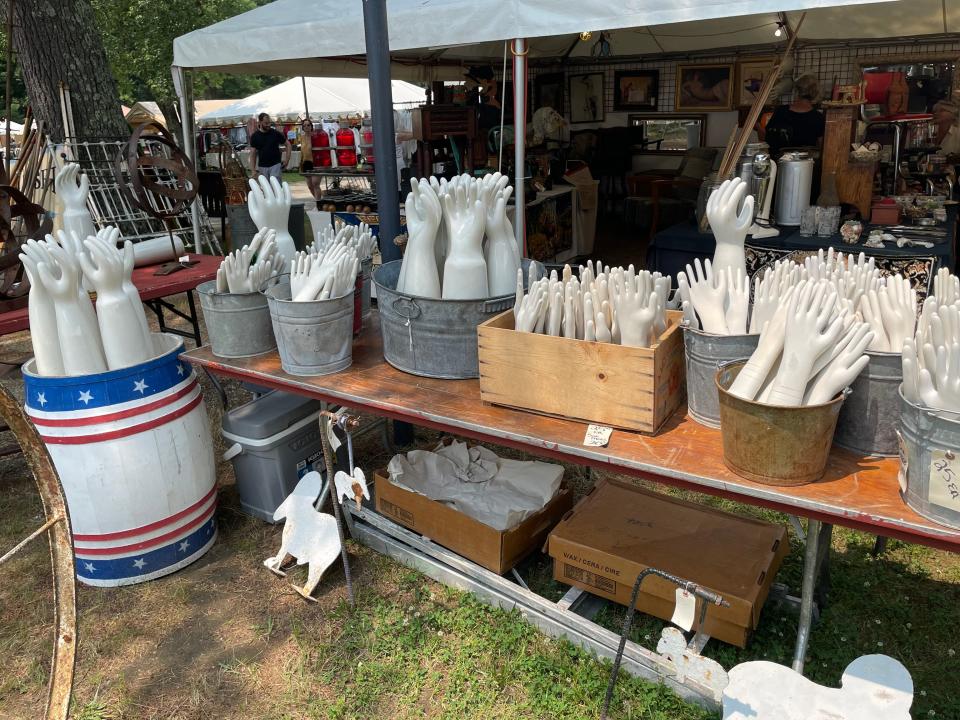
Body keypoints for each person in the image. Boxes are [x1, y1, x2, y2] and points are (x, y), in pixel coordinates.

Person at [764, 74, 826, 156]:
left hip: (778, 163)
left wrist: (757, 125)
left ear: (797, 91)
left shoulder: (780, 111)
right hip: (805, 165)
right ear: (816, 93)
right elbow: (823, 148)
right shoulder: (818, 117)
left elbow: (766, 138)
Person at [248, 112, 291, 181]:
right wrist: (253, 170)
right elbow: (253, 153)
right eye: (266, 123)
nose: (268, 125)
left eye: (269, 123)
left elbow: (288, 144)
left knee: (276, 188)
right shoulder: (255, 136)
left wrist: (287, 160)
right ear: (260, 122)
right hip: (262, 167)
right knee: (266, 189)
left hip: (275, 165)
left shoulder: (275, 133)